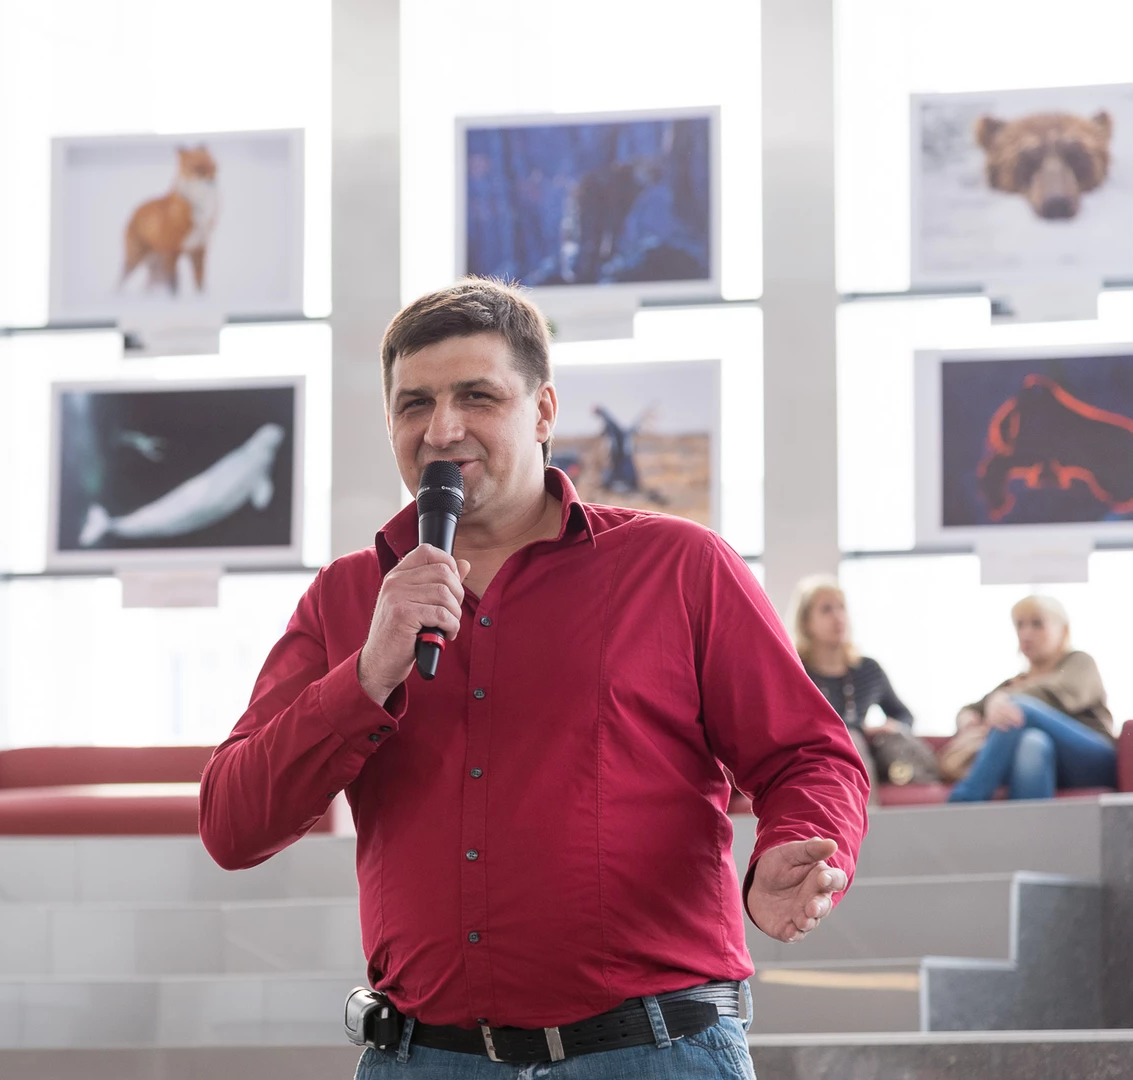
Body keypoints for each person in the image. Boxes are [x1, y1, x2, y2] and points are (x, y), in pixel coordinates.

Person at [198, 279, 868, 1079]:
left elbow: (808, 755)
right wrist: (368, 672)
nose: (441, 429)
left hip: (655, 1054)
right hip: (423, 1060)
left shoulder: (678, 566)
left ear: (543, 411)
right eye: (414, 405)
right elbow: (232, 825)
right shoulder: (346, 597)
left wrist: (795, 845)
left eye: (475, 396)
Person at [947, 595, 1117, 802]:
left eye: (1037, 624)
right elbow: (972, 708)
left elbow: (1059, 692)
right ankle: (1028, 824)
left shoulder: (1079, 662)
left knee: (1018, 709)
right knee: (1032, 742)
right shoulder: (1016, 683)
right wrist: (966, 717)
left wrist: (1003, 699)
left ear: (1063, 630)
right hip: (1048, 765)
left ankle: (967, 798)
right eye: (1020, 625)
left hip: (1093, 761)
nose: (1026, 633)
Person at [788, 576, 917, 793]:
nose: (838, 616)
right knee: (849, 740)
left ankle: (861, 813)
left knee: (853, 740)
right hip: (813, 758)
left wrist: (889, 727)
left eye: (842, 608)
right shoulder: (795, 672)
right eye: (827, 609)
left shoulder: (868, 669)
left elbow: (905, 716)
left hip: (861, 755)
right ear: (805, 622)